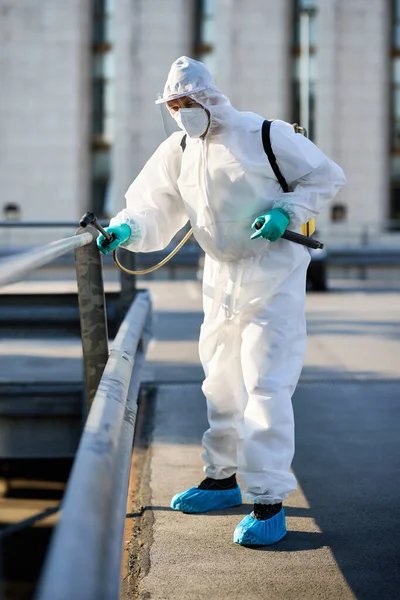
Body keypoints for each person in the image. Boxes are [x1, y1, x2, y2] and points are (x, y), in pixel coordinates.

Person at [97, 56, 346, 546]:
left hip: (272, 273)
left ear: (210, 97)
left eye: (188, 102)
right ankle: (221, 478)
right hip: (220, 276)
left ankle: (269, 500)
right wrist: (126, 228)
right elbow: (152, 204)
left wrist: (286, 212)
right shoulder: (180, 149)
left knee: (265, 384)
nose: (182, 111)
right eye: (174, 105)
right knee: (220, 381)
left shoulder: (266, 135)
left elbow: (325, 176)